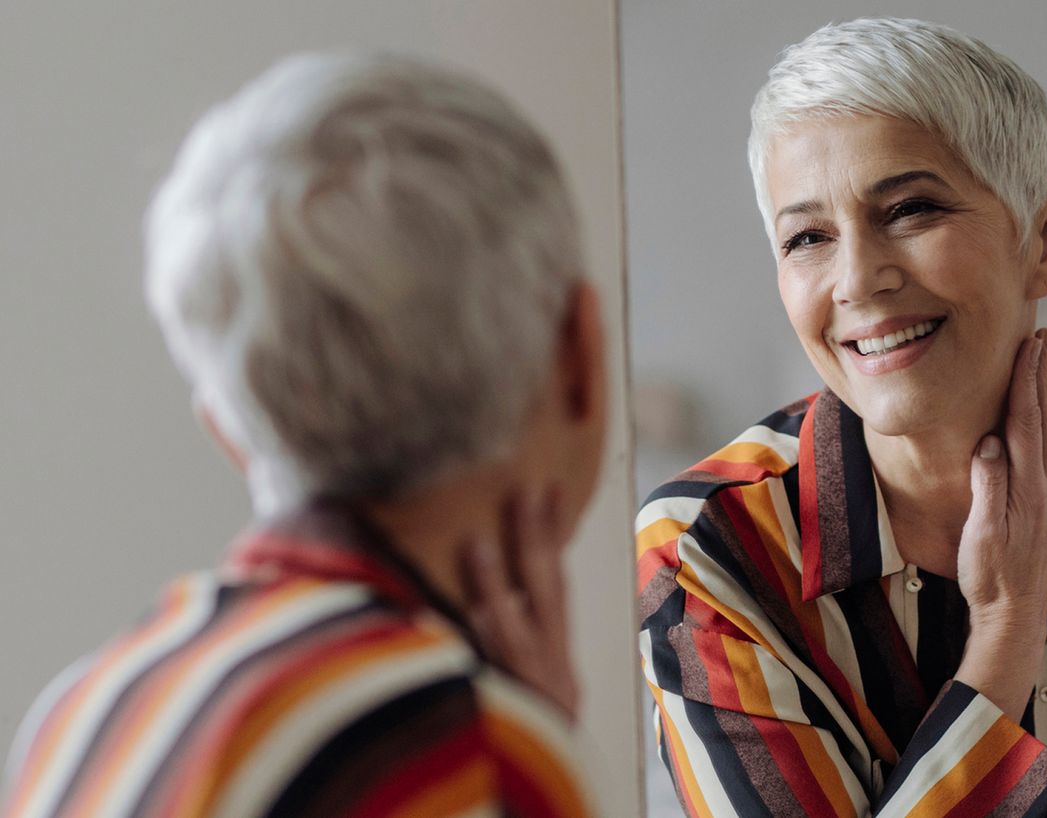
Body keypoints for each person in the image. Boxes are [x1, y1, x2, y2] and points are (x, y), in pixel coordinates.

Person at [3, 52, 605, 817]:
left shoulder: (86, 707)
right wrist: (531, 760)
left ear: (227, 429)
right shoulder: (471, 754)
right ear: (581, 356)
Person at [636, 17, 1047, 817]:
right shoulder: (708, 550)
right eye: (808, 237)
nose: (857, 278)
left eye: (911, 210)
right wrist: (1006, 624)